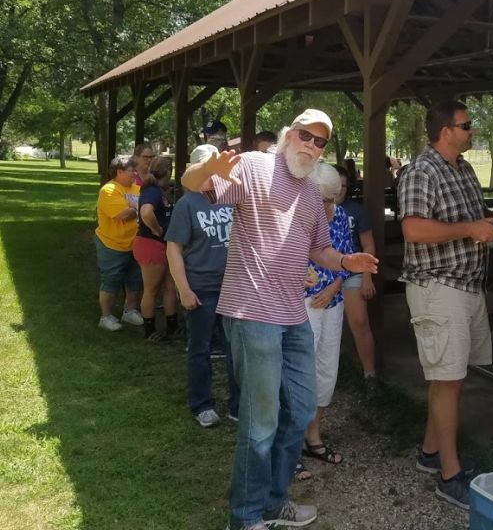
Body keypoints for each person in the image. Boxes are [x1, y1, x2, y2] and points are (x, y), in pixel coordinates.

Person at [181, 108, 378, 530]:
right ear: (290, 135)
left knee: (302, 408)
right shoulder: (254, 166)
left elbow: (319, 251)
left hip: (292, 314)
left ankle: (274, 502)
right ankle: (246, 517)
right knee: (261, 419)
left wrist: (346, 259)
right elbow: (194, 185)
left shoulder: (310, 193)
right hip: (251, 311)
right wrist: (206, 167)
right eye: (305, 135)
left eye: (320, 141)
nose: (311, 145)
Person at [398, 99, 493, 511]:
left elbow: (470, 221)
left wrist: (492, 223)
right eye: (466, 126)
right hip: (437, 287)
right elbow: (412, 229)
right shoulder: (421, 171)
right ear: (445, 131)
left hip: (466, 286)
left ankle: (430, 453)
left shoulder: (463, 169)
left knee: (451, 378)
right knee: (448, 382)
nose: (471, 131)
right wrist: (470, 228)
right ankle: (450, 474)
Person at [166, 144, 239, 428]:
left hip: (233, 287)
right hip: (201, 288)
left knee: (236, 349)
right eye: (205, 167)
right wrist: (184, 289)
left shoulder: (231, 197)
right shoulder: (187, 204)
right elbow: (174, 249)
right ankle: (201, 404)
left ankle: (237, 404)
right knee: (200, 348)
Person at [297, 163, 353, 479]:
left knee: (325, 372)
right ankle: (289, 450)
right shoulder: (295, 216)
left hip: (332, 302)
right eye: (322, 201)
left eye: (332, 200)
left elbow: (346, 256)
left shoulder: (341, 215)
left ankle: (313, 438)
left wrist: (335, 283)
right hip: (302, 304)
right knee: (298, 373)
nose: (328, 208)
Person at [334, 165, 377, 383]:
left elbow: (368, 245)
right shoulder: (314, 208)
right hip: (324, 274)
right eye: (336, 186)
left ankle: (370, 375)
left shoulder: (356, 210)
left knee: (360, 322)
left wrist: (367, 277)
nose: (340, 190)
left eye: (344, 186)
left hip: (353, 273)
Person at [94, 155, 144, 331]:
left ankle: (130, 311)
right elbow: (122, 215)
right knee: (111, 279)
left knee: (135, 279)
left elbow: (144, 209)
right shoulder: (109, 190)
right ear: (119, 171)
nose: (135, 174)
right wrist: (139, 209)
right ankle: (106, 316)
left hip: (135, 243)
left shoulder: (138, 188)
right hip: (112, 244)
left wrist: (135, 209)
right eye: (132, 171)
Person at [133, 155, 177, 340]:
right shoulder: (152, 191)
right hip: (151, 243)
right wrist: (157, 229)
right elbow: (145, 212)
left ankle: (172, 327)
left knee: (170, 286)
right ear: (167, 171)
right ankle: (149, 330)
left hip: (164, 244)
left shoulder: (161, 190)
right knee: (151, 288)